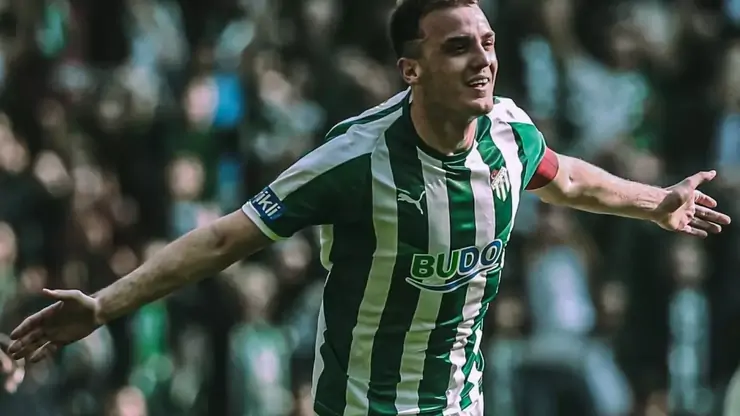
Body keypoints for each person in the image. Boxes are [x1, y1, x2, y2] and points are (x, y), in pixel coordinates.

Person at [5, 0, 732, 414]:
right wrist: (104, 305)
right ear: (411, 68)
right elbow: (225, 239)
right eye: (458, 48)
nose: (483, 60)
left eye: (487, 43)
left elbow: (565, 177)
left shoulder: (510, 134)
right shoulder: (354, 159)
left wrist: (653, 202)